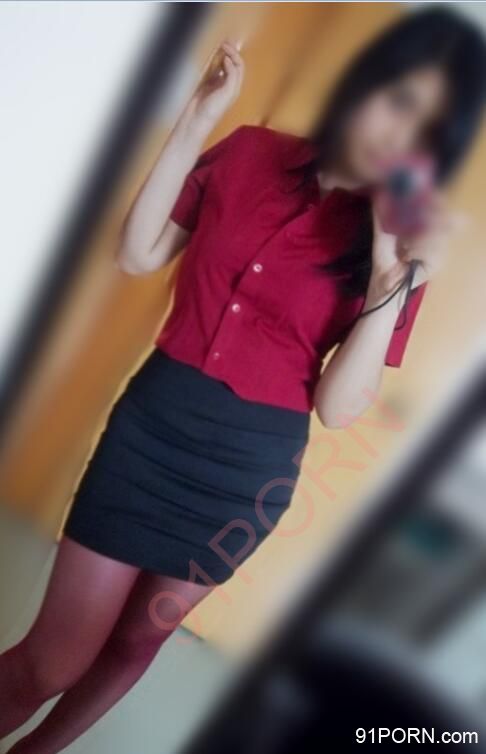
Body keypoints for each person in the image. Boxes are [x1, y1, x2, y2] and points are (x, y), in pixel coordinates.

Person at [2, 8, 486, 753]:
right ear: (366, 83)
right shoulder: (252, 153)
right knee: (54, 659)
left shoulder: (397, 254)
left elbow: (338, 408)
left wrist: (391, 278)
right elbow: (138, 253)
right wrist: (198, 118)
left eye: (427, 131)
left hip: (244, 483)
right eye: (399, 101)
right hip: (151, 437)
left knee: (135, 644)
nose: (401, 136)